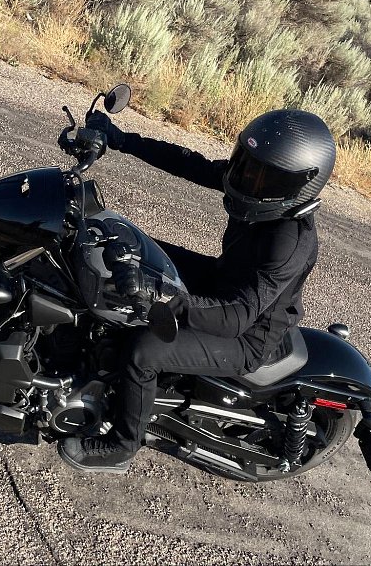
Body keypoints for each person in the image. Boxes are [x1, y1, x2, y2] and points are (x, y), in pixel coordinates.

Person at [57, 109, 337, 474]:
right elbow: (190, 163)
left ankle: (121, 447)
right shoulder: (257, 187)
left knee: (143, 351)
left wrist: (162, 296)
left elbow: (235, 316)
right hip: (222, 282)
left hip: (247, 334)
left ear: (298, 185)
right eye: (247, 165)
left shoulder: (288, 242)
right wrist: (121, 138)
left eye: (261, 174)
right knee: (131, 247)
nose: (246, 177)